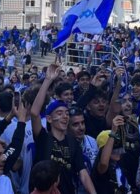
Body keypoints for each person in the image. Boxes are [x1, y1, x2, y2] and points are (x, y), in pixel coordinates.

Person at [30, 64, 97, 194]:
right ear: (49, 119)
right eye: (59, 113)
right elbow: (34, 112)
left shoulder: (73, 142)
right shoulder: (43, 137)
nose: (65, 117)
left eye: (66, 113)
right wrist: (47, 80)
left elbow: (82, 173)